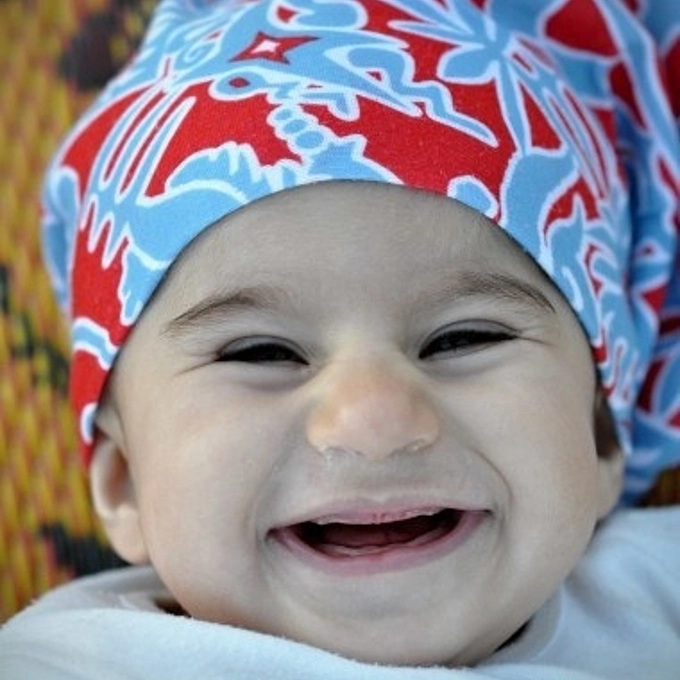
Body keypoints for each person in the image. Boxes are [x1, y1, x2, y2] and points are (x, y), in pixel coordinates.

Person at [1, 0, 679, 677]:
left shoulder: (652, 599)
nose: (374, 423)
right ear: (123, 480)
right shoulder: (74, 658)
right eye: (262, 352)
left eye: (462, 339)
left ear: (600, 437)